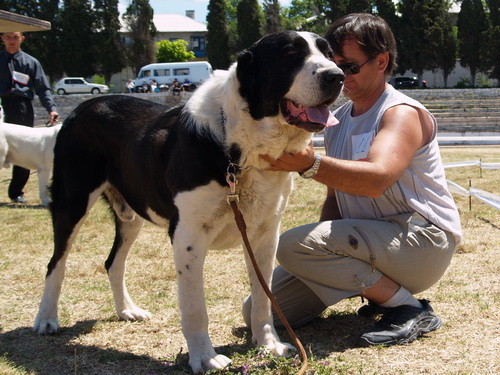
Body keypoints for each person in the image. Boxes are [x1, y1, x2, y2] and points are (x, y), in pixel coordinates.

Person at [242, 13, 462, 347]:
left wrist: (309, 164)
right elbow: (335, 198)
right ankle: (375, 290)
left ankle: (410, 308)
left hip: (422, 241)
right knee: (259, 311)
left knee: (290, 244)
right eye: (332, 64)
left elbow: (377, 180)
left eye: (349, 66)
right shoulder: (338, 119)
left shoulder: (400, 113)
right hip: (371, 244)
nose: (337, 75)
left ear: (381, 61)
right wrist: (319, 257)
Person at [0, 31, 58, 203]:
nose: (11, 41)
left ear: (22, 39)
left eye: (15, 37)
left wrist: (51, 109)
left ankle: (16, 192)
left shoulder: (31, 62)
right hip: (1, 103)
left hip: (22, 107)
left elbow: (43, 89)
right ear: (2, 38)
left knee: (24, 150)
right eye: (8, 37)